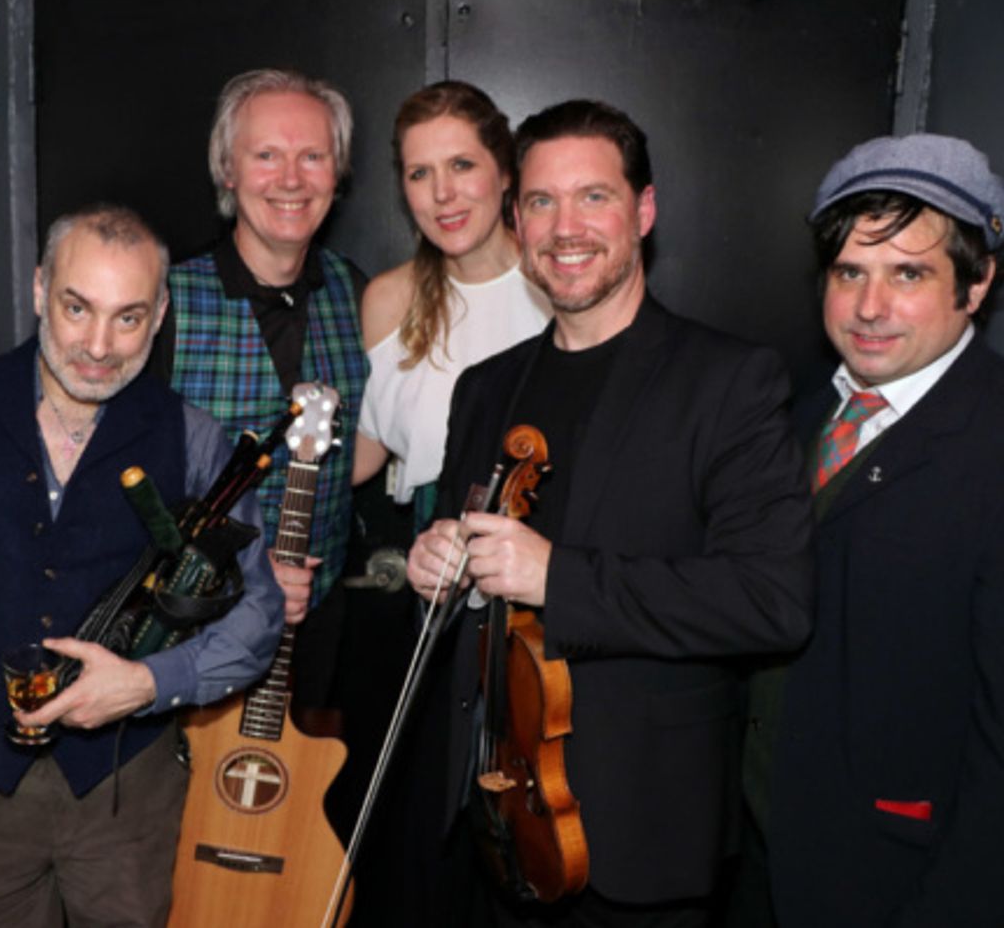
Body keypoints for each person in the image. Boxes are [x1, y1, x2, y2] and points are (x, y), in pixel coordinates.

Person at [405, 99, 813, 926]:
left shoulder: (730, 382)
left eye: (594, 197)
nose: (566, 227)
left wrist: (558, 576)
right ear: (517, 222)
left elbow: (771, 602)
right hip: (496, 821)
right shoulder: (485, 388)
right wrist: (438, 571)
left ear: (644, 211)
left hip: (638, 839)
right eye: (542, 203)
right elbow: (476, 579)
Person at [0, 203, 282, 927]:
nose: (99, 345)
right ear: (40, 288)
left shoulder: (197, 439)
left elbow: (259, 615)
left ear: (161, 313)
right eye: (77, 307)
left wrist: (148, 681)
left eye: (129, 317)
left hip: (126, 794)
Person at [749, 134, 1004, 928]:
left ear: (977, 282)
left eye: (909, 273)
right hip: (757, 858)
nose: (869, 306)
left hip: (894, 882)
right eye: (850, 271)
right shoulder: (796, 409)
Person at [156, 68, 368, 709]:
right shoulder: (165, 301)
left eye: (313, 156)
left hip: (320, 636)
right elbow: (124, 478)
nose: (292, 179)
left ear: (337, 174)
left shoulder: (360, 294)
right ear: (227, 170)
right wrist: (238, 572)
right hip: (187, 631)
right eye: (266, 156)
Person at [354, 80, 550, 527]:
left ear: (504, 173)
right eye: (420, 173)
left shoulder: (557, 290)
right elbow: (363, 454)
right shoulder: (387, 301)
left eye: (461, 165)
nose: (442, 193)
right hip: (432, 572)